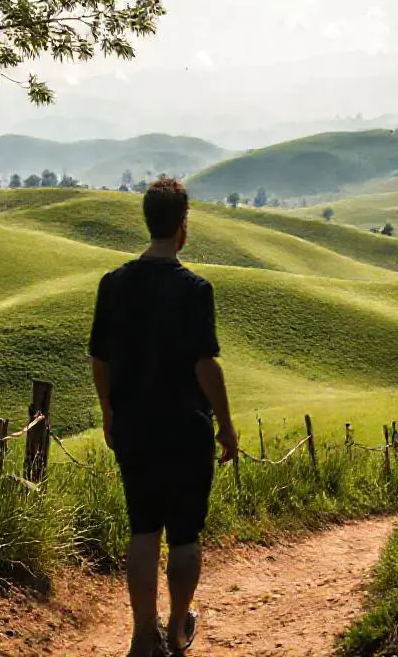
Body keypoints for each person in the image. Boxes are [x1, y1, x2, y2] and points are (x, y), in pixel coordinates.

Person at [88, 178, 239, 656]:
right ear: (183, 225)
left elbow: (100, 359)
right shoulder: (195, 289)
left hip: (135, 425)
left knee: (142, 529)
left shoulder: (113, 285)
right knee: (185, 535)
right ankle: (175, 634)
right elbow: (204, 364)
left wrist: (108, 411)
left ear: (148, 220)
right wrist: (226, 424)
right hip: (185, 428)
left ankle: (139, 636)